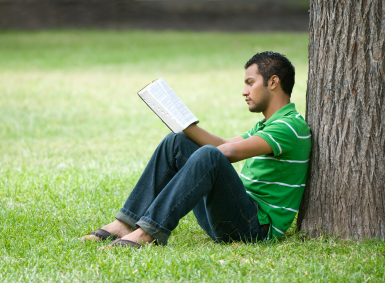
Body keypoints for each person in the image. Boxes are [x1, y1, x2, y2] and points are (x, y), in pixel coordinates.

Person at [81, 51, 311, 247]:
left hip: (254, 230)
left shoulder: (290, 126)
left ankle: (147, 233)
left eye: (250, 83)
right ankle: (125, 223)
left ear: (273, 82)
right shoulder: (268, 125)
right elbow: (223, 145)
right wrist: (184, 125)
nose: (244, 91)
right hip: (231, 218)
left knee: (209, 155)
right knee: (177, 142)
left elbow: (226, 153)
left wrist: (197, 146)